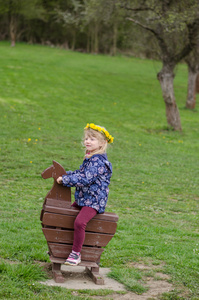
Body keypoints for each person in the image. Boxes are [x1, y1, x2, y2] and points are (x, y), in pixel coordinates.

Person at [56, 123, 114, 266]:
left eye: (92, 139)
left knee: (80, 222)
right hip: (84, 198)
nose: (87, 141)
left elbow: (85, 179)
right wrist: (67, 174)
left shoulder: (99, 162)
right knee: (66, 215)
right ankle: (61, 248)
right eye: (87, 138)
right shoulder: (90, 157)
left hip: (94, 201)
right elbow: (81, 173)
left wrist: (65, 180)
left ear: (102, 143)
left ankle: (76, 253)